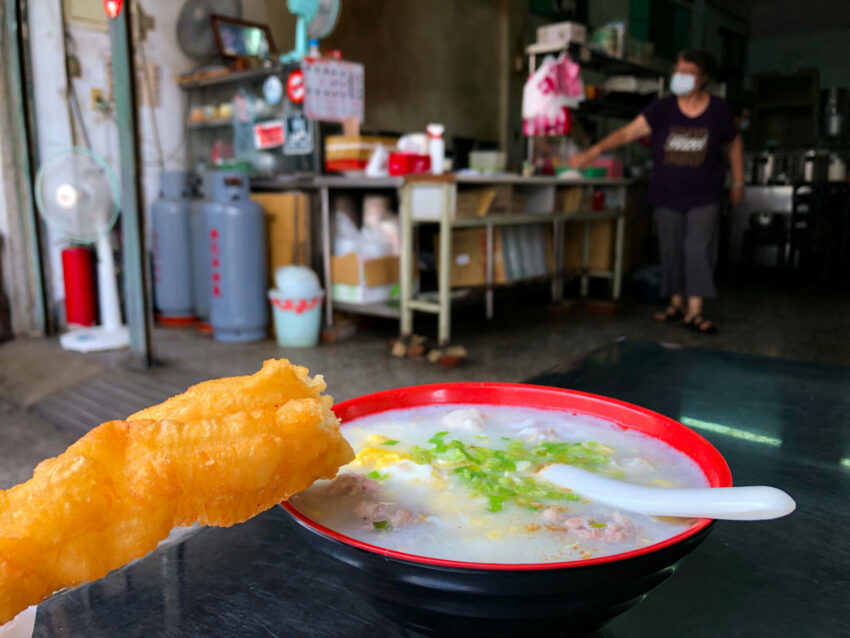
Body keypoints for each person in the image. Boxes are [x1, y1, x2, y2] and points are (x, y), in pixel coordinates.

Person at [569, 50, 744, 334]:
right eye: (678, 71)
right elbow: (627, 133)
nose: (680, 77)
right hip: (666, 193)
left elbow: (734, 143)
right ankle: (676, 302)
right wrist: (593, 151)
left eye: (687, 72)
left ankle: (696, 310)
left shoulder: (719, 109)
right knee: (671, 249)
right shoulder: (662, 108)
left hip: (705, 194)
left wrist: (738, 181)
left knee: (698, 249)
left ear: (702, 78)